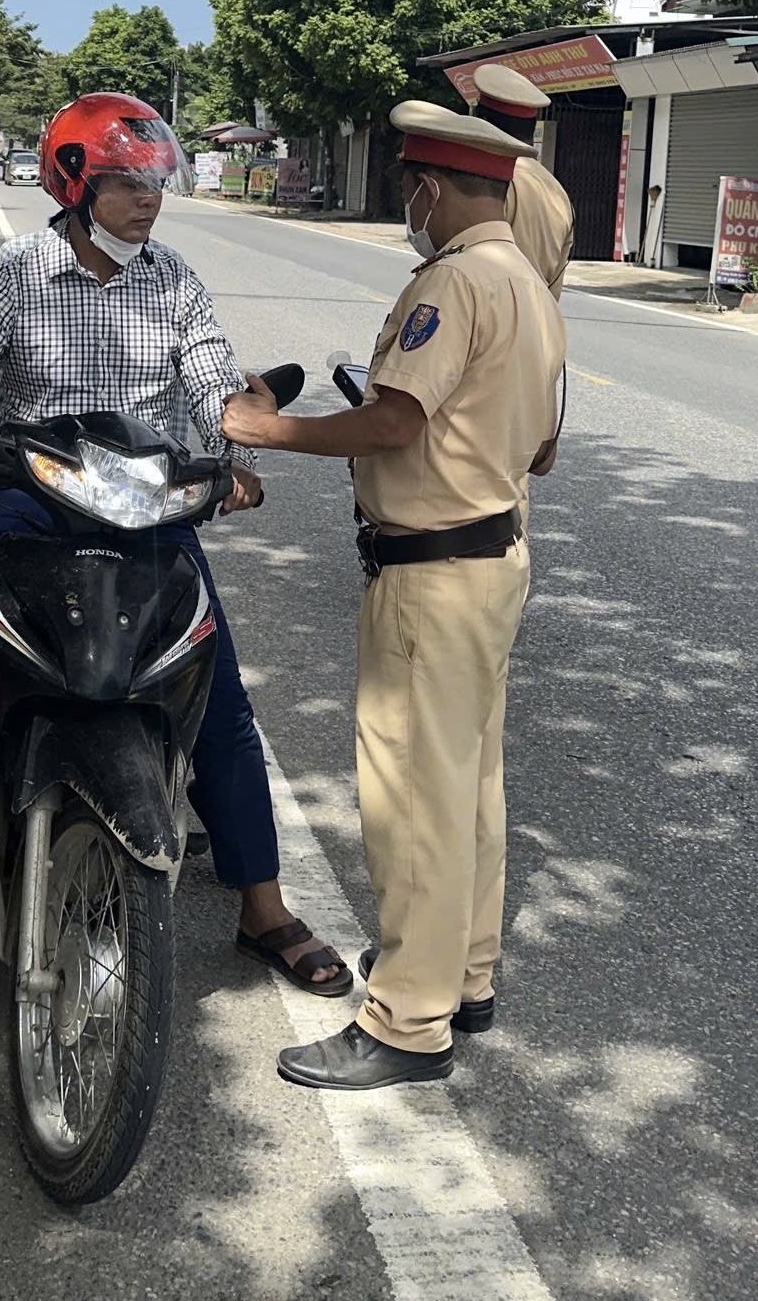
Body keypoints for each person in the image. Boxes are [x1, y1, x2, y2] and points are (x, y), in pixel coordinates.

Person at [0, 91, 352, 996]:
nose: (147, 200)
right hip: (33, 499)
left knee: (220, 692)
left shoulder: (173, 281)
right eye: (127, 182)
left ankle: (264, 903)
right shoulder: (21, 270)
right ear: (76, 180)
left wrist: (232, 452)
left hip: (148, 509)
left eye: (154, 183)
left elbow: (212, 378)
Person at [221, 105, 566, 1088]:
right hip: (492, 559)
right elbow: (542, 445)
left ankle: (408, 1020)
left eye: (410, 187)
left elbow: (391, 424)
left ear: (432, 187)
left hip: (430, 572)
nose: (408, 205)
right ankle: (465, 974)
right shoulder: (533, 291)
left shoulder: (455, 283)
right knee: (470, 784)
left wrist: (265, 429)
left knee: (413, 794)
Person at [471, 64, 574, 299]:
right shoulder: (557, 191)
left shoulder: (485, 180)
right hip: (539, 324)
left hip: (489, 318)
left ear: (481, 121)